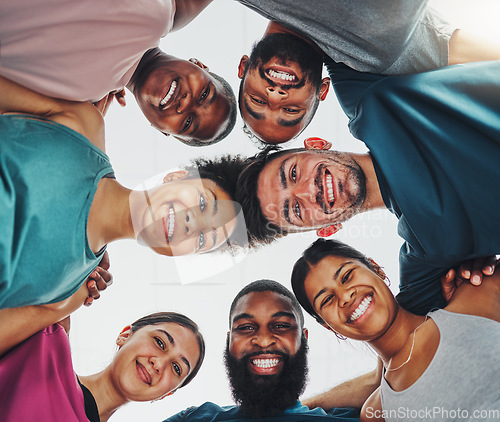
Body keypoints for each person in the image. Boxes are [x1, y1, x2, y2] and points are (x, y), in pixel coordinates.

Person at [236, 60, 500, 315]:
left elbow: (315, 23)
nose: (308, 191)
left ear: (316, 144)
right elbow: (399, 344)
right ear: (327, 229)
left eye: (293, 173)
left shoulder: (367, 95)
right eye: (295, 209)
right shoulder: (427, 259)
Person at [0, 74, 245, 310]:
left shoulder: (73, 292)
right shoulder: (83, 124)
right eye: (203, 203)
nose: (193, 223)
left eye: (202, 240)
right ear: (177, 176)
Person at [291, 239, 500, 422]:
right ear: (327, 325)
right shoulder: (377, 413)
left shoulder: (477, 291)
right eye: (327, 299)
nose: (345, 297)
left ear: (376, 269)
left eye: (347, 277)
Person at [235, 1, 500, 144]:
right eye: (291, 111)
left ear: (244, 66)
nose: (276, 96)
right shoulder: (377, 53)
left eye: (258, 100)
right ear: (322, 90)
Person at [0, 0, 236, 145]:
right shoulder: (161, 12)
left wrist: (84, 122)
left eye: (186, 123)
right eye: (204, 94)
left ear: (160, 130)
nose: (186, 104)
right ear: (200, 64)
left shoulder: (74, 105)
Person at [166, 279, 381, 421]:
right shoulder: (196, 418)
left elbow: (398, 371)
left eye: (280, 326)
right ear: (229, 341)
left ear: (303, 338)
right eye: (246, 328)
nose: (264, 340)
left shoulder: (360, 417)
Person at [0, 301, 205, 422]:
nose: (159, 364)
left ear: (166, 394)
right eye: (160, 342)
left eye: (177, 368)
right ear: (125, 336)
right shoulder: (46, 340)